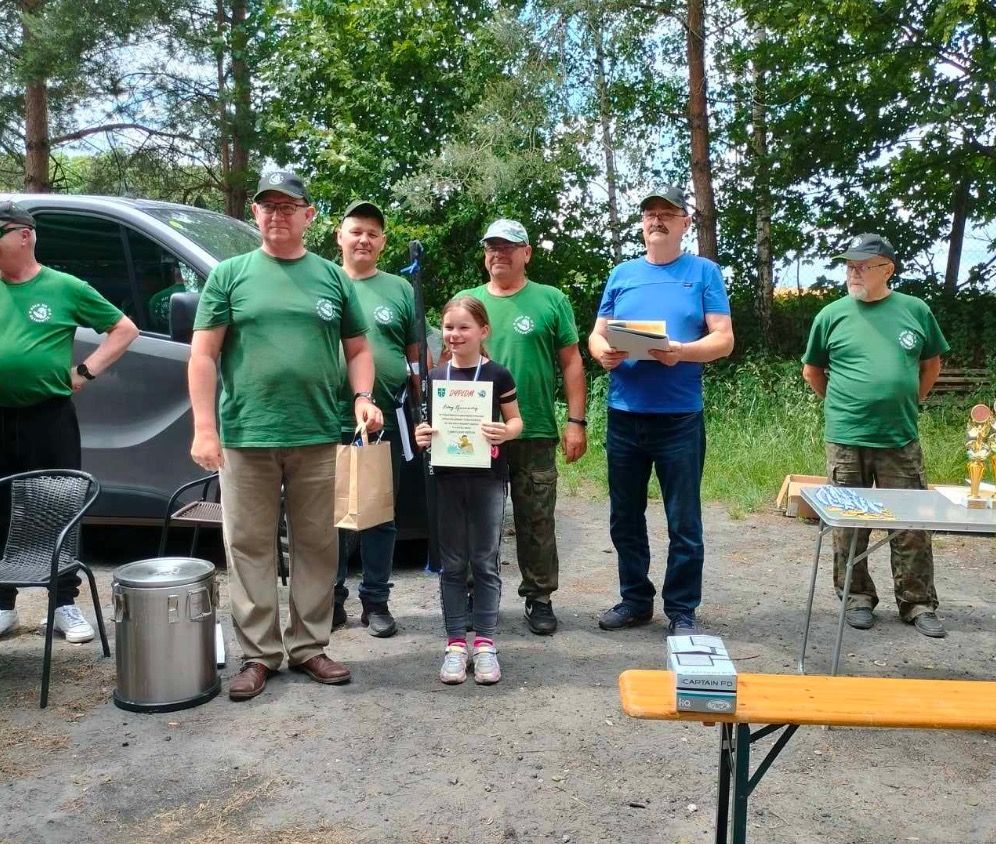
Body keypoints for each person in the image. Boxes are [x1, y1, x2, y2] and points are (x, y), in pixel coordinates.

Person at [189, 170, 384, 701]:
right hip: (246, 434)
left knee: (317, 544)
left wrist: (363, 397)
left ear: (307, 215)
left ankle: (308, 647)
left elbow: (359, 349)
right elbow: (204, 354)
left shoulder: (331, 278)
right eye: (267, 205)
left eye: (287, 205)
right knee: (248, 544)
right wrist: (205, 428)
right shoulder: (229, 275)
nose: (276, 214)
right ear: (256, 214)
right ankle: (258, 655)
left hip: (319, 431)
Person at [589, 186, 733, 636]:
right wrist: (602, 354)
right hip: (624, 414)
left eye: (667, 214)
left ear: (685, 223)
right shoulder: (622, 274)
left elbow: (724, 339)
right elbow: (597, 334)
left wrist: (682, 351)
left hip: (678, 418)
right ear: (642, 223)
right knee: (624, 516)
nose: (657, 220)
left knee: (683, 520)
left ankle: (682, 610)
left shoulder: (704, 272)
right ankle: (635, 600)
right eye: (650, 213)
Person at [0, 199, 139, 641]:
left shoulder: (64, 287)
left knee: (56, 506)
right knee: (0, 510)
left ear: (24, 236)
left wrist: (85, 372)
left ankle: (63, 604)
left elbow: (124, 329)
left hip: (49, 416)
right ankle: (3, 604)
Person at [802, 233, 948, 638]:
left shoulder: (914, 311)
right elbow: (813, 371)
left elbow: (930, 364)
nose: (853, 273)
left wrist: (909, 401)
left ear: (888, 269)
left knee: (910, 523)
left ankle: (917, 603)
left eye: (863, 266)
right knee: (849, 522)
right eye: (849, 266)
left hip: (899, 436)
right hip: (846, 437)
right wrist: (842, 407)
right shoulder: (831, 315)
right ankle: (857, 597)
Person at [457, 219, 586, 636]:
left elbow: (571, 362)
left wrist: (575, 422)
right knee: (477, 520)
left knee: (536, 519)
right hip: (475, 433)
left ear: (526, 253)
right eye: (492, 246)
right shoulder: (468, 302)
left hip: (533, 432)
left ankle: (540, 597)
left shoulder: (550, 300)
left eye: (509, 247)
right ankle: (477, 596)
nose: (499, 253)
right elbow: (447, 363)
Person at [414, 296, 522, 684]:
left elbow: (516, 422)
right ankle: (456, 643)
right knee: (453, 562)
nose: (455, 334)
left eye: (464, 327)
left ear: (483, 331)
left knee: (485, 559)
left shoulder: (498, 375)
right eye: (448, 327)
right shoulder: (435, 377)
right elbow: (425, 428)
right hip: (446, 478)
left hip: (488, 478)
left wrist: (505, 431)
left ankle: (486, 643)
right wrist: (422, 435)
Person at [332, 200, 421, 638]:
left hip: (382, 420)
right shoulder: (323, 281)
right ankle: (329, 602)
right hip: (326, 420)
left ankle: (376, 602)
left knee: (379, 516)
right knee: (327, 517)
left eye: (373, 233)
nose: (364, 239)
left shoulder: (400, 290)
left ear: (382, 242)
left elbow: (415, 357)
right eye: (356, 231)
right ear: (340, 237)